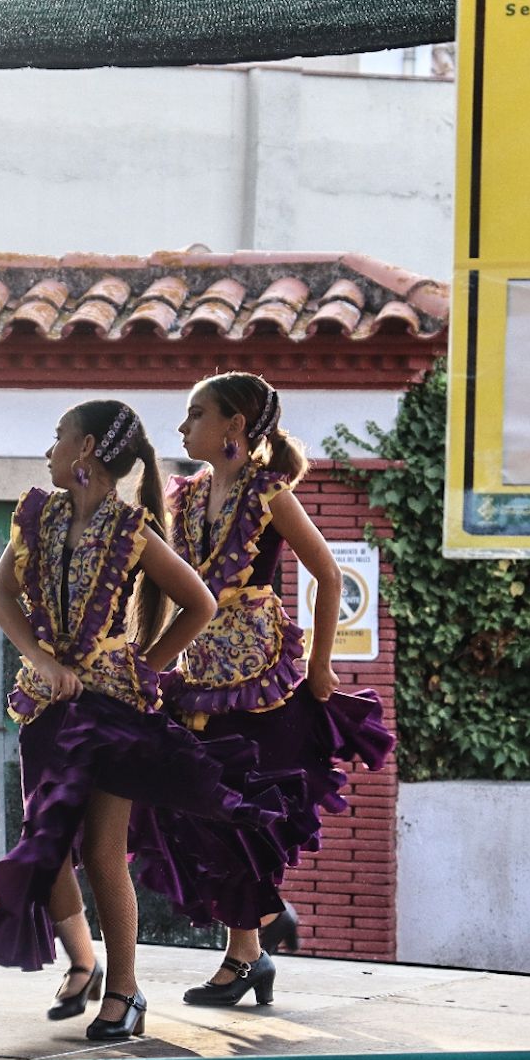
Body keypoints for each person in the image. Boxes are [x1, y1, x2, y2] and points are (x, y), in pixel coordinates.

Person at [0, 400, 295, 1041]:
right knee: (47, 844)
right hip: (45, 705)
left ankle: (124, 989)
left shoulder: (131, 530)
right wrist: (38, 656)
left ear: (86, 448)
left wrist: (145, 664)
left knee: (101, 850)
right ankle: (83, 960)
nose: (50, 448)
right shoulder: (35, 516)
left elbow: (198, 603)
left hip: (112, 707)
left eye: (58, 434)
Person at [161, 372, 394, 1006]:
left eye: (196, 414)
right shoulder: (184, 497)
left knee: (239, 809)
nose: (184, 427)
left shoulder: (270, 495)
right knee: (194, 805)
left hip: (261, 680)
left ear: (234, 426)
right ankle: (263, 922)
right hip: (198, 672)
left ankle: (245, 955)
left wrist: (321, 665)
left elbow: (328, 573)